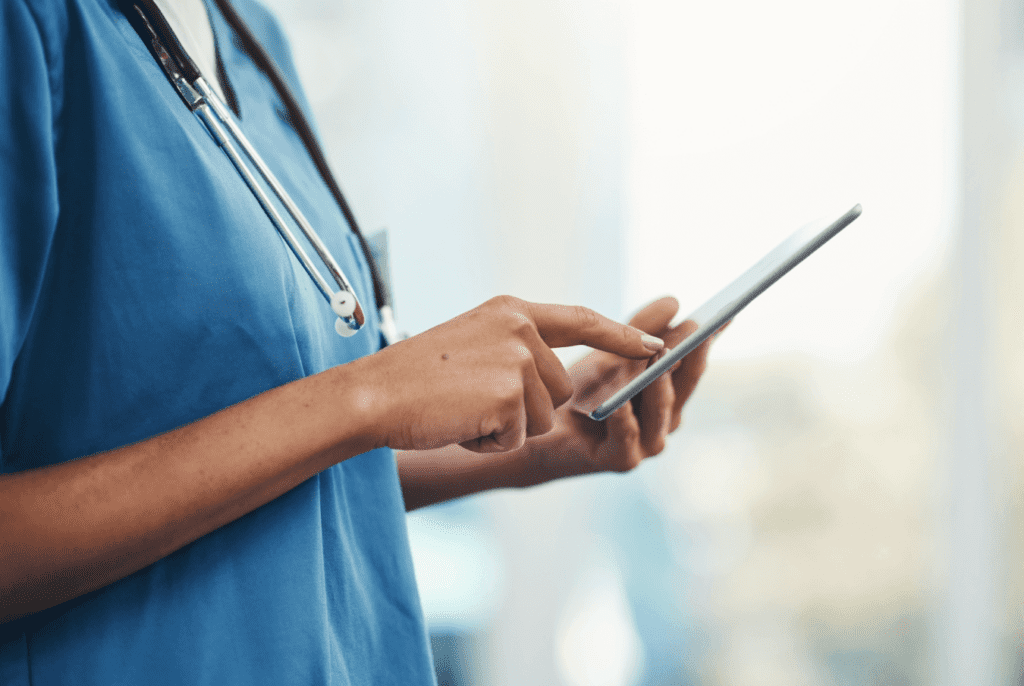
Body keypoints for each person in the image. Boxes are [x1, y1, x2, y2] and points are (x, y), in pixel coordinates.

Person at [0, 0, 713, 682]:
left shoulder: (251, 40)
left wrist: (537, 441)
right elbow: (338, 411)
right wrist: (369, 394)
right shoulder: (30, 27)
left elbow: (276, 462)